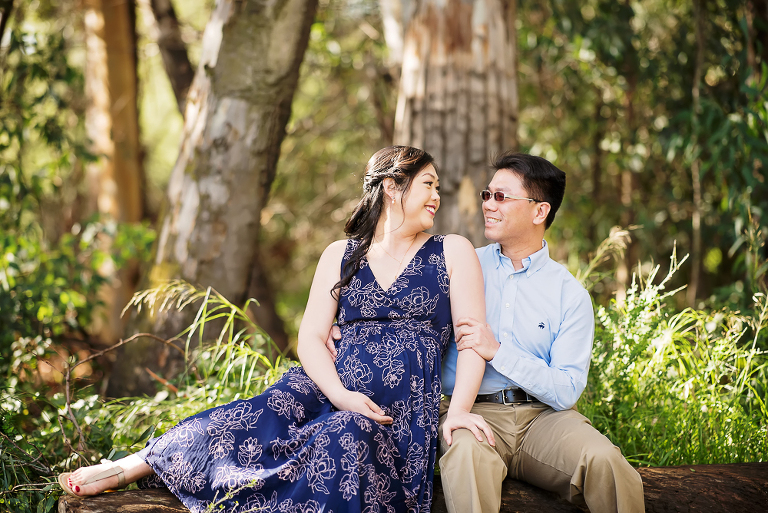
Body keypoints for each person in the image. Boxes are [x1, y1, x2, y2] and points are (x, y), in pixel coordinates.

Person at [58, 146, 494, 513]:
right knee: (239, 421)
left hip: (395, 412)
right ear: (393, 187)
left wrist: (456, 413)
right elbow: (310, 337)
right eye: (429, 184)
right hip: (323, 387)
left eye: (437, 187)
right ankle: (135, 464)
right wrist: (341, 394)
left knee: (347, 435)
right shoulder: (341, 255)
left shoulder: (452, 251)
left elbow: (472, 341)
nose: (438, 195)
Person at [439, 152, 645, 512]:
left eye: (501, 197)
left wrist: (498, 351)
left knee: (606, 462)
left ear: (539, 211)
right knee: (465, 456)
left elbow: (565, 390)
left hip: (545, 421)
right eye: (487, 195)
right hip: (474, 413)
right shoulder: (462, 264)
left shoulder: (570, 295)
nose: (488, 205)